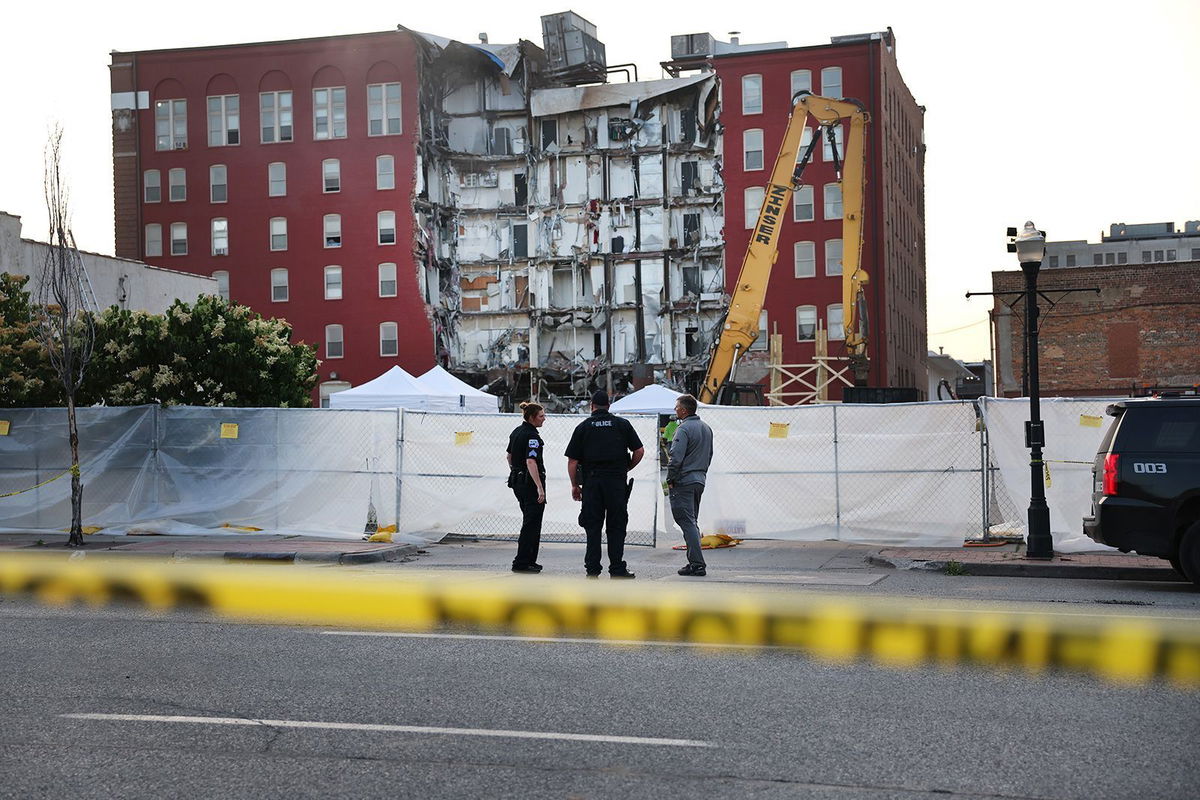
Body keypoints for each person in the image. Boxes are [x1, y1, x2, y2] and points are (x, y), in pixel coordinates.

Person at [565, 390, 644, 578]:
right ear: (609, 406)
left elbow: (573, 462)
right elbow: (639, 451)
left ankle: (592, 569)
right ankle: (617, 568)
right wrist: (626, 469)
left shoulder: (583, 427)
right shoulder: (622, 425)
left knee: (593, 527)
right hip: (616, 483)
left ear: (591, 406)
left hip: (592, 483)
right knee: (616, 526)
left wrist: (575, 485)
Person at [667, 394, 714, 576]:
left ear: (684, 410)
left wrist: (671, 478)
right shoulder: (706, 428)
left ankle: (697, 563)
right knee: (692, 521)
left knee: (687, 522)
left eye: (677, 407)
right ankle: (695, 561)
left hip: (684, 481)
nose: (675, 410)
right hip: (699, 479)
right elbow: (709, 455)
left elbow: (676, 458)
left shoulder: (684, 429)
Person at [507, 401, 547, 573]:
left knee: (529, 521)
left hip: (518, 482)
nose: (544, 419)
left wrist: (516, 472)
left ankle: (530, 560)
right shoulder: (532, 437)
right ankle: (522, 562)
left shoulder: (517, 432)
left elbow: (509, 456)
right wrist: (539, 487)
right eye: (541, 416)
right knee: (532, 524)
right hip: (529, 484)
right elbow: (530, 461)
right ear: (531, 417)